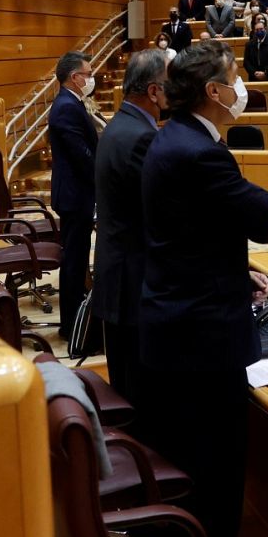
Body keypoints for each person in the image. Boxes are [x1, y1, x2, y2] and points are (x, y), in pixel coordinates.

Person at [139, 41, 268, 537]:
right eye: (235, 76)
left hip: (180, 319)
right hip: (199, 339)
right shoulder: (198, 151)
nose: (242, 85)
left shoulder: (175, 136)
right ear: (213, 91)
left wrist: (234, 268)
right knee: (213, 473)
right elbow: (266, 218)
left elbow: (187, 231)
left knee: (195, 466)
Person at [90, 50, 167, 406]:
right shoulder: (141, 138)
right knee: (137, 398)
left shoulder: (119, 126)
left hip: (119, 274)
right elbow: (160, 213)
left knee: (126, 386)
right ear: (154, 92)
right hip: (132, 282)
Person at [48, 52, 98, 342]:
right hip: (74, 196)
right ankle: (70, 327)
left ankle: (75, 322)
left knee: (77, 261)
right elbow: (82, 155)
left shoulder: (72, 102)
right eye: (88, 74)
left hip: (77, 193)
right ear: (74, 77)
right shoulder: (66, 106)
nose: (91, 79)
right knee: (74, 263)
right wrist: (101, 174)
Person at [245, 13, 268, 81]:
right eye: (257, 30)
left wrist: (266, 72)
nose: (259, 31)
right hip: (254, 78)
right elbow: (246, 62)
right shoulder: (249, 44)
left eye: (261, 29)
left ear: (265, 29)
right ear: (254, 31)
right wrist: (254, 72)